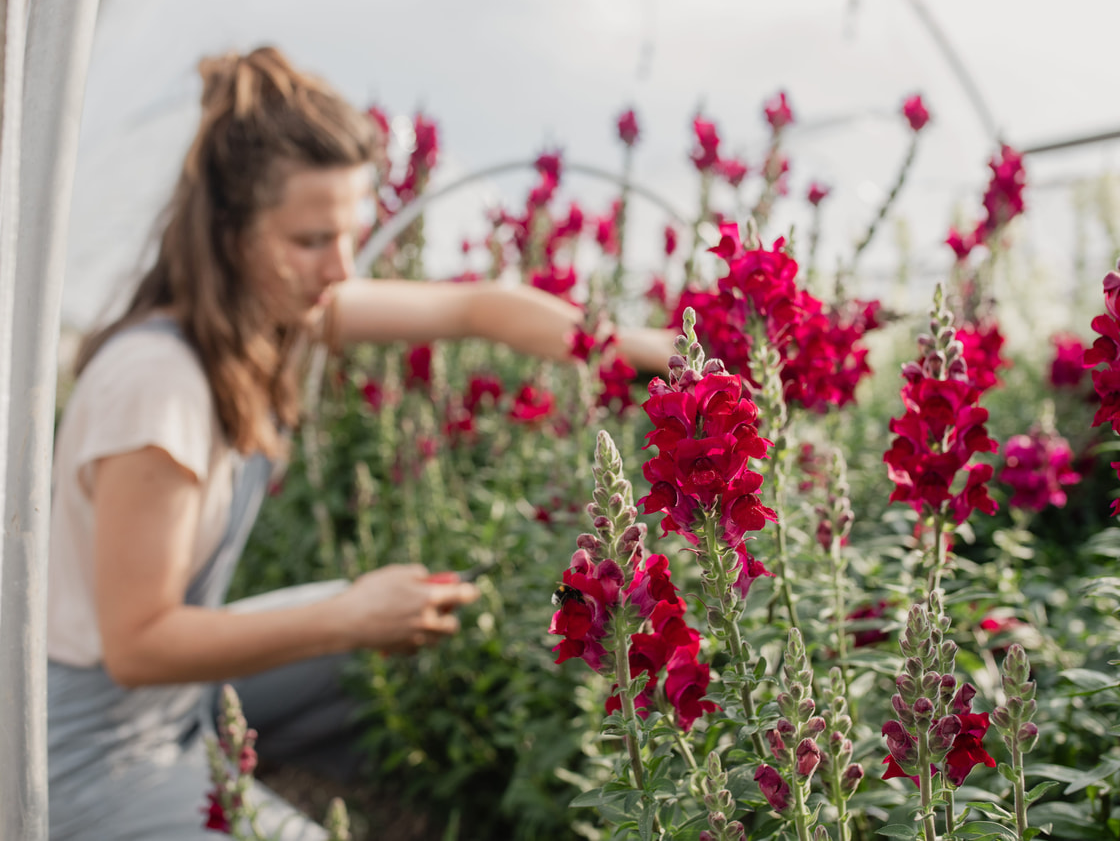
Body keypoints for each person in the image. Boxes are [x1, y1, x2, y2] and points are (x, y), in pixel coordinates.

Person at [47, 46, 674, 840]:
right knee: (350, 620)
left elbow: (476, 309)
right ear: (230, 234)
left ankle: (405, 792)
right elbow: (138, 645)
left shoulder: (272, 316)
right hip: (86, 752)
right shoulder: (158, 380)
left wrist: (641, 351)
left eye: (352, 233)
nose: (340, 267)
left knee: (403, 613)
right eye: (311, 239)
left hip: (179, 703)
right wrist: (350, 615)